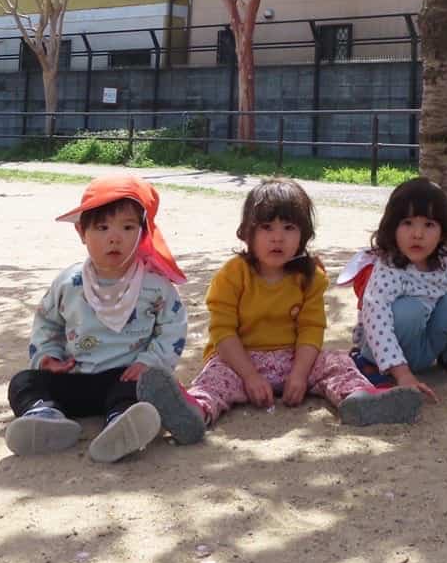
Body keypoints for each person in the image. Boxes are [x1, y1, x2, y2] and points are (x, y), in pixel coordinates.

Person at [156, 179, 423, 433]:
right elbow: (222, 333)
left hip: (294, 359)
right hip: (239, 361)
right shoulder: (232, 274)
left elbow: (311, 329)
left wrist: (299, 374)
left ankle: (359, 400)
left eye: (289, 228)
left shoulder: (310, 277)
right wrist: (249, 376)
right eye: (266, 227)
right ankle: (194, 413)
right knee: (214, 379)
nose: (277, 238)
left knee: (338, 363)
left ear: (303, 235)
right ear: (247, 232)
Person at [4, 173, 188, 462]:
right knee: (23, 381)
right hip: (75, 376)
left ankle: (121, 422)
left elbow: (172, 328)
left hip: (125, 376)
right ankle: (44, 416)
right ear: (81, 232)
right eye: (102, 227)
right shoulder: (68, 283)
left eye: (128, 227)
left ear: (142, 233)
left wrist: (149, 362)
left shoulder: (156, 286)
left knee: (141, 389)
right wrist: (48, 358)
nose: (114, 237)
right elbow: (47, 322)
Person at [352, 177, 447, 400]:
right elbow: (376, 318)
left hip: (426, 345)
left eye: (429, 225)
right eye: (407, 223)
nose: (417, 234)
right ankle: (369, 362)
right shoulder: (389, 267)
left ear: (443, 231)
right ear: (392, 227)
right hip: (386, 347)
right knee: (410, 310)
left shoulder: (446, 260)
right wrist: (403, 374)